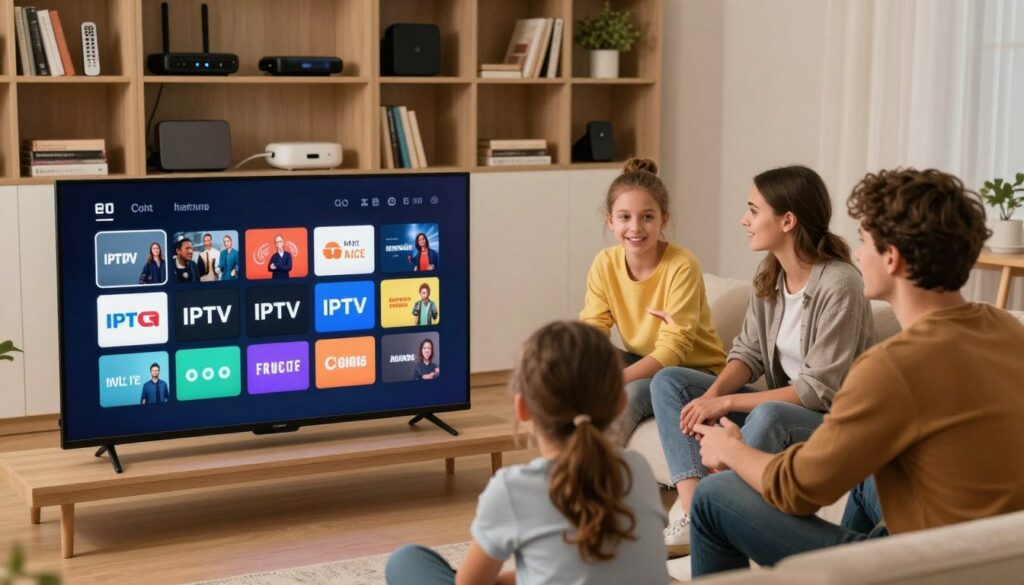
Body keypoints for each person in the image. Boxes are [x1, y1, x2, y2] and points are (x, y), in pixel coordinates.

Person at [687, 168, 1024, 577]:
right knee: (870, 481)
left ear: (891, 257)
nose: (858, 255)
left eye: (864, 241)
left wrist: (730, 450)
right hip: (994, 560)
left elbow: (797, 491)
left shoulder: (892, 367)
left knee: (713, 496)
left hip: (927, 567)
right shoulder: (1007, 330)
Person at [650, 165, 876, 556]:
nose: (744, 220)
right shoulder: (770, 273)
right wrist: (714, 394)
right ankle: (694, 508)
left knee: (769, 414)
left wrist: (728, 402)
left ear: (788, 220)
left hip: (830, 419)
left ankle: (724, 514)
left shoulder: (840, 284)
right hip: (778, 407)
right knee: (669, 381)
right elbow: (748, 353)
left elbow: (817, 391)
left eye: (753, 211)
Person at [385, 321, 671, 585]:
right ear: (621, 403)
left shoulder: (513, 489)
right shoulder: (637, 470)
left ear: (522, 409)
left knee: (406, 561)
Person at [580, 157, 727, 445]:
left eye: (647, 217)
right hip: (643, 360)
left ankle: (593, 471)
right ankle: (561, 456)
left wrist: (615, 381)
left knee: (631, 392)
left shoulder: (682, 265)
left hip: (692, 372)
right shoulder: (604, 263)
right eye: (625, 217)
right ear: (610, 220)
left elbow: (673, 350)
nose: (636, 227)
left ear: (664, 220)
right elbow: (593, 326)